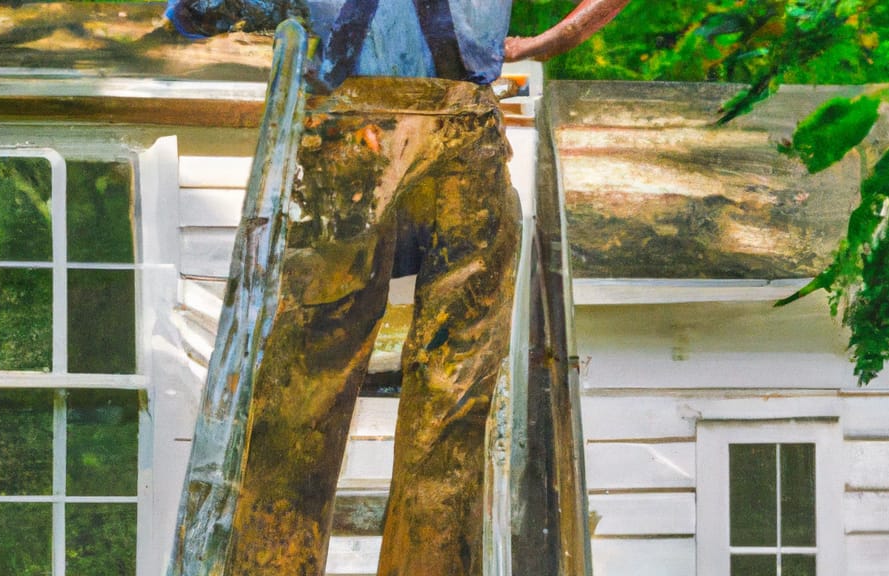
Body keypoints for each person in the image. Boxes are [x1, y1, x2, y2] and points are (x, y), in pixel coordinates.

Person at [166, 1, 630, 574]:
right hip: (457, 136)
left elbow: (198, 14)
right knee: (449, 409)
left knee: (301, 396)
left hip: (355, 134)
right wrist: (549, 41)